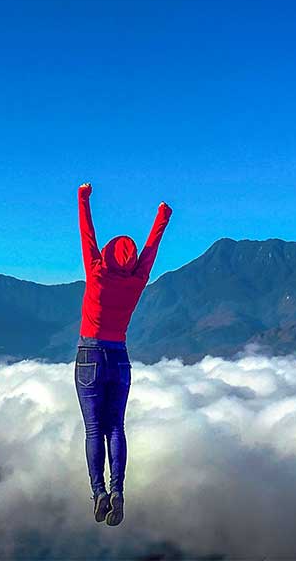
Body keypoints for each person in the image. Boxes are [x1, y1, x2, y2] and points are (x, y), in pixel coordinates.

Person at [74, 181, 172, 527]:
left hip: (89, 356)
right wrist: (162, 216)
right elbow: (151, 249)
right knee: (115, 427)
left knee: (93, 430)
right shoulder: (137, 280)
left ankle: (99, 492)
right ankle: (118, 490)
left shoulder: (97, 273)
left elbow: (87, 234)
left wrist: (83, 198)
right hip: (119, 358)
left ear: (107, 254)